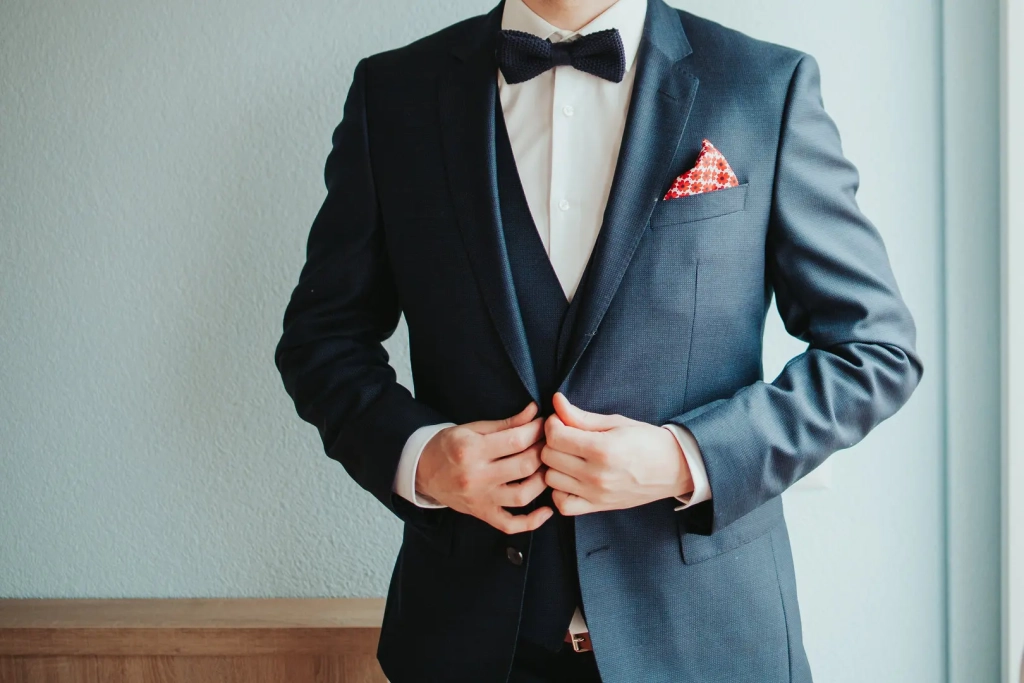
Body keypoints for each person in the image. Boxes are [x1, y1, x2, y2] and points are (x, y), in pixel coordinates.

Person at [274, 0, 924, 680]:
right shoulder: (395, 95)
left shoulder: (763, 85)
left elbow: (874, 349)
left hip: (708, 646)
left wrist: (687, 458)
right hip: (466, 643)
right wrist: (422, 458)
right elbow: (322, 340)